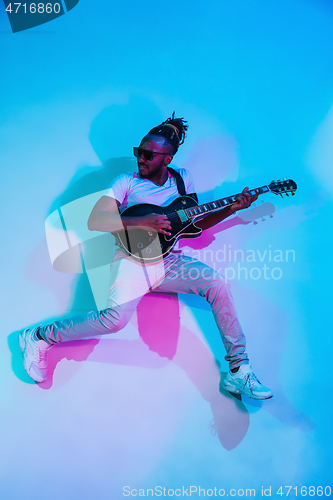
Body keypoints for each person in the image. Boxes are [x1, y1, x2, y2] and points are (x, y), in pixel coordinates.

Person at [19, 113, 273, 400]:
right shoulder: (126, 182)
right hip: (131, 261)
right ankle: (40, 335)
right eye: (139, 152)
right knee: (114, 321)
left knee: (218, 284)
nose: (140, 159)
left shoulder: (182, 180)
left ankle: (239, 371)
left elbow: (193, 224)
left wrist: (231, 209)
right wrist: (142, 222)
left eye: (148, 155)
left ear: (167, 159)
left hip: (168, 261)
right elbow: (96, 220)